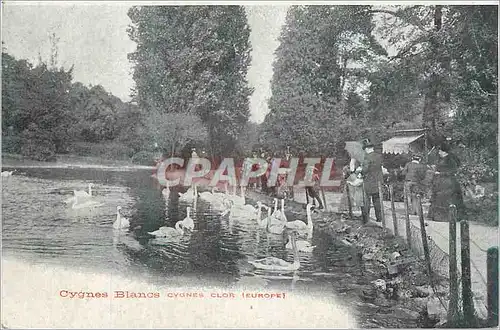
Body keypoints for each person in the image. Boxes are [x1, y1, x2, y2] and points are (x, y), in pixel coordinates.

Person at [427, 142, 465, 222]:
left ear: (445, 151)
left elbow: (454, 171)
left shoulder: (450, 159)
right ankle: (438, 217)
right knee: (438, 198)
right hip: (440, 182)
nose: (439, 152)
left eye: (440, 151)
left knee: (447, 199)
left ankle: (448, 217)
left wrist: (441, 173)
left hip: (449, 183)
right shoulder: (441, 159)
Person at [360, 139, 384, 223]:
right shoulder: (379, 156)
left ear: (366, 149)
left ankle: (365, 219)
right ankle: (379, 218)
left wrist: (361, 172)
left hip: (369, 182)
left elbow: (365, 170)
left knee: (366, 200)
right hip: (378, 182)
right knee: (377, 200)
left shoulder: (367, 157)